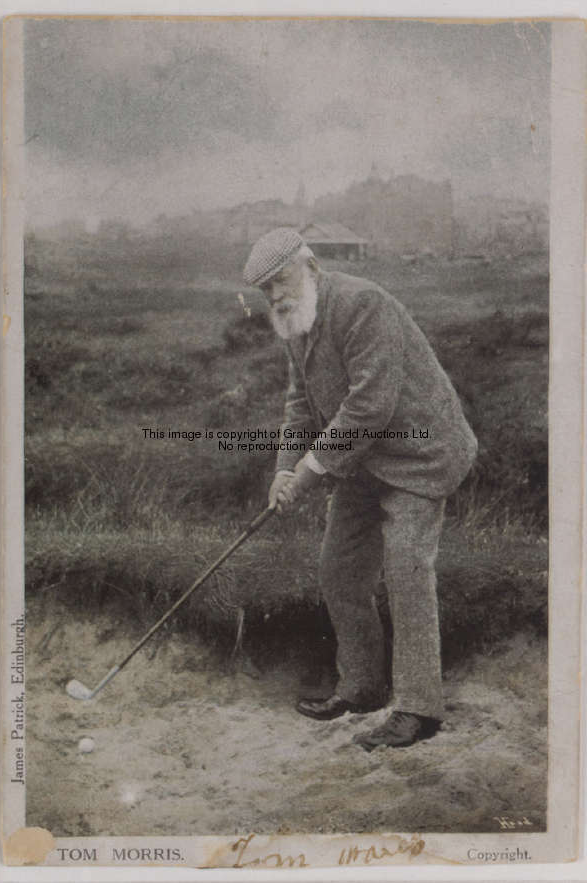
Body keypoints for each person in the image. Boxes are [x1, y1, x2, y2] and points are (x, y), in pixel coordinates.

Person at [243, 228, 477, 750]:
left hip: (421, 454)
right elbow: (300, 406)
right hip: (364, 459)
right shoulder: (295, 321)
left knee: (407, 568)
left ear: (310, 266)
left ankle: (419, 707)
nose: (276, 295)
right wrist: (285, 470)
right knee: (340, 570)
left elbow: (372, 403)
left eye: (281, 280)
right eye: (265, 289)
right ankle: (363, 688)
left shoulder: (362, 303)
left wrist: (309, 473)